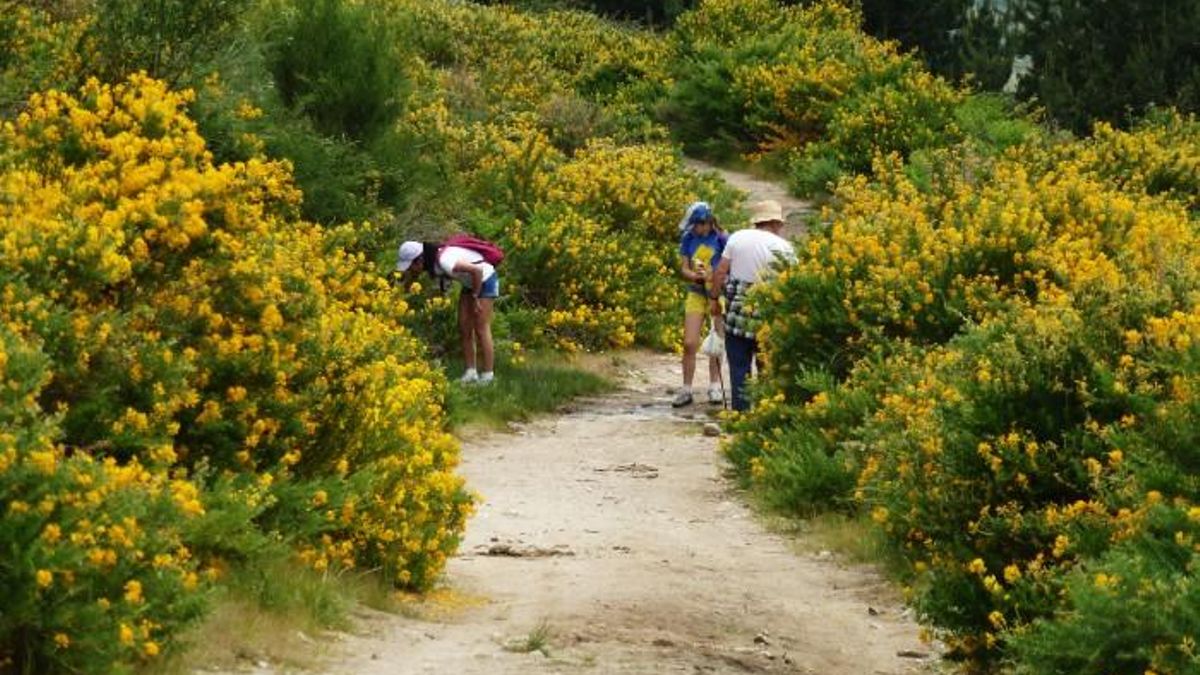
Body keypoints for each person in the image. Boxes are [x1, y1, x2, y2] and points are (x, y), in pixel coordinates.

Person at [708, 200, 796, 412]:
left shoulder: (737, 237)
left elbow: (720, 272)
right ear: (775, 223)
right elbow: (793, 284)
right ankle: (765, 413)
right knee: (766, 368)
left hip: (737, 315)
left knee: (739, 369)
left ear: (757, 221)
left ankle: (741, 414)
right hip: (768, 318)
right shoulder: (784, 248)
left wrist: (713, 299)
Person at [396, 238, 499, 385]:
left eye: (410, 266)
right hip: (471, 283)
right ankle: (471, 373)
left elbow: (477, 270)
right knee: (464, 327)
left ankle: (488, 376)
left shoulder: (445, 260)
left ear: (419, 260)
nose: (411, 270)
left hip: (485, 278)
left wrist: (475, 297)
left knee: (481, 327)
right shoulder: (434, 264)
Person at [673, 201, 728, 408]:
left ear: (705, 223)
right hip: (696, 293)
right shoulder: (688, 238)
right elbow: (684, 268)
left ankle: (714, 386)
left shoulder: (722, 239)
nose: (694, 229)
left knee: (716, 340)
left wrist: (712, 276)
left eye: (696, 225)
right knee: (689, 342)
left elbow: (727, 268)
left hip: (716, 294)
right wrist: (695, 276)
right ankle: (686, 388)